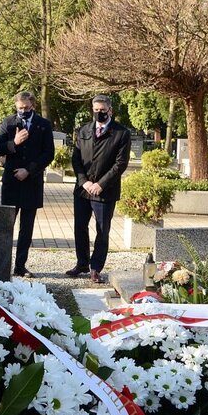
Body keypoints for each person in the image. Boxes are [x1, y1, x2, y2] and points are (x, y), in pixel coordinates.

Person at [66, 94, 130, 284]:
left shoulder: (121, 133)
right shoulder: (83, 130)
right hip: (83, 189)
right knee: (80, 227)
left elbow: (120, 164)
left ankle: (96, 268)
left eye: (102, 111)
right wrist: (84, 181)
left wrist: (100, 184)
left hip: (105, 190)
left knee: (102, 230)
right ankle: (82, 263)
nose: (99, 114)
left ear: (110, 110)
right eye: (96, 111)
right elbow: (76, 158)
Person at [0, 91, 55, 278]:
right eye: (20, 108)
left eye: (26, 108)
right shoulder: (8, 122)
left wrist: (28, 170)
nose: (23, 111)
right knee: (6, 225)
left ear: (33, 106)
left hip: (31, 182)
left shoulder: (43, 125)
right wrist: (14, 142)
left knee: (26, 228)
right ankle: (2, 264)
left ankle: (20, 265)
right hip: (11, 182)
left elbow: (48, 154)